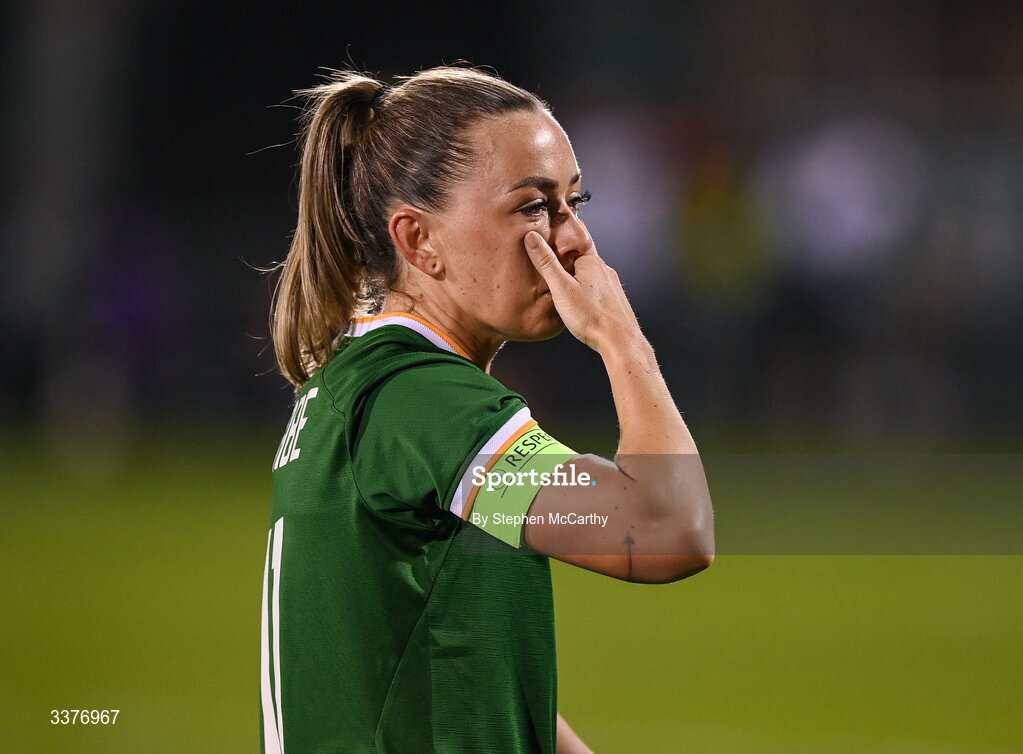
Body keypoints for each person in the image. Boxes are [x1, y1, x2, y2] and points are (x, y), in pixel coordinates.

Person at [260, 65, 715, 754]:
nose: (573, 241)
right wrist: (625, 345)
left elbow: (458, 663)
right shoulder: (421, 399)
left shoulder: (368, 386)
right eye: (532, 207)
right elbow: (665, 532)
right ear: (418, 241)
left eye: (574, 200)